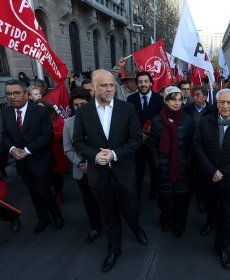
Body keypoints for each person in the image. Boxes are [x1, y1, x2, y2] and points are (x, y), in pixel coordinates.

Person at [73, 69, 147, 273]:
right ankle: (114, 249)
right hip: (100, 176)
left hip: (124, 173)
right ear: (93, 88)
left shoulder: (127, 109)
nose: (109, 88)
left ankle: (136, 227)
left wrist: (114, 154)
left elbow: (136, 139)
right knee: (109, 215)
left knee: (130, 210)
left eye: (112, 85)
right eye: (104, 85)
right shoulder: (83, 112)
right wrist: (95, 156)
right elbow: (78, 142)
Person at [194, 88, 230, 270]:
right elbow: (198, 147)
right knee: (210, 205)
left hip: (228, 180)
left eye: (229, 102)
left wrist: (223, 172)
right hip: (208, 177)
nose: (225, 106)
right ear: (216, 104)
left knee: (226, 214)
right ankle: (210, 222)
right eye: (221, 102)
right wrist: (211, 170)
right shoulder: (205, 122)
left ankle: (223, 247)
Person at [1, 79, 63, 234]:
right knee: (33, 193)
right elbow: (4, 136)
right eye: (9, 94)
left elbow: (47, 135)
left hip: (40, 161)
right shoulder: (6, 113)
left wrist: (27, 150)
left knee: (44, 191)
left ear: (26, 94)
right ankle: (43, 218)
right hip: (21, 163)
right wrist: (13, 149)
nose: (12, 96)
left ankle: (56, 215)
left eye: (16, 93)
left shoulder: (40, 111)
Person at [149, 86, 194, 238]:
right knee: (165, 201)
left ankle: (179, 226)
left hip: (182, 170)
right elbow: (152, 145)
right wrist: (157, 163)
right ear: (166, 101)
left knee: (182, 202)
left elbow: (192, 145)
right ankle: (165, 219)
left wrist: (188, 163)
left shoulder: (188, 120)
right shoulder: (157, 121)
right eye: (173, 99)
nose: (177, 103)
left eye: (180, 100)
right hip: (164, 170)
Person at [63, 87, 102, 243]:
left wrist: (94, 161)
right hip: (82, 171)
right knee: (89, 200)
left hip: (100, 167)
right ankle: (94, 226)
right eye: (76, 105)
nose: (79, 108)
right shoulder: (68, 124)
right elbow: (68, 149)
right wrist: (80, 163)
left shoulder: (100, 120)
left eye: (83, 104)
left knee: (106, 198)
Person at [127, 71, 164, 200]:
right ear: (137, 84)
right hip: (137, 142)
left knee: (155, 167)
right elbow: (129, 121)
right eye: (140, 82)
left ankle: (154, 190)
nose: (143, 84)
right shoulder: (130, 100)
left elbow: (161, 121)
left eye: (146, 81)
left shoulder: (159, 99)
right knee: (138, 168)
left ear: (151, 83)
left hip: (154, 141)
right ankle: (136, 192)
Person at [35, 99, 70, 204]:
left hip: (55, 152)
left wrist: (48, 134)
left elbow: (63, 134)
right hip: (41, 153)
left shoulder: (57, 118)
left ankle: (59, 193)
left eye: (42, 107)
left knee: (56, 176)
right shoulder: (33, 120)